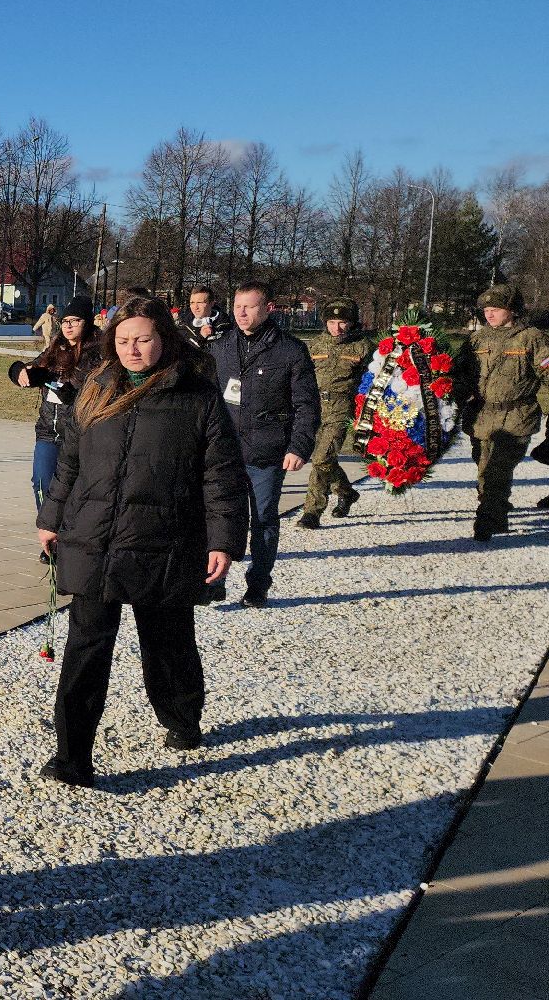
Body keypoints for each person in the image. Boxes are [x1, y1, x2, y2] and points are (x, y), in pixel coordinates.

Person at [36, 296, 249, 787]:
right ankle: (72, 757)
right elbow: (69, 463)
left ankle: (181, 718)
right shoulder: (95, 389)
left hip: (164, 540)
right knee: (86, 649)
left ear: (163, 339)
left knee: (168, 642)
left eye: (143, 339)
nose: (132, 349)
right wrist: (51, 518)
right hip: (94, 540)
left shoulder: (195, 395)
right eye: (124, 340)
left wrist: (222, 540)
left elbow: (221, 474)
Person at [209, 280, 317, 607]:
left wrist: (298, 447)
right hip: (224, 451)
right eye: (237, 306)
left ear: (268, 309)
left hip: (266, 452)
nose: (241, 313)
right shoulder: (220, 347)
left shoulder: (290, 351)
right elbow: (207, 398)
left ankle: (258, 583)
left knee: (263, 519)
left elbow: (307, 405)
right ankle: (215, 580)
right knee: (220, 515)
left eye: (249, 306)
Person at [460, 284, 549, 541]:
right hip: (481, 417)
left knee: (497, 470)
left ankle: (486, 520)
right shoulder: (477, 339)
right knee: (483, 468)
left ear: (512, 310)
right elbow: (461, 374)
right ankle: (496, 511)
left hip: (516, 417)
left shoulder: (532, 338)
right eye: (486, 310)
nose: (489, 314)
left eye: (496, 309)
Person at [10, 295, 101, 517]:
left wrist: (73, 395)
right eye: (65, 321)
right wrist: (19, 370)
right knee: (41, 482)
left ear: (87, 322)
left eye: (75, 321)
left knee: (74, 489)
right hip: (48, 431)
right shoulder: (55, 347)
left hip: (80, 433)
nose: (68, 326)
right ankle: (49, 529)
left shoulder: (99, 352)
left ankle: (68, 531)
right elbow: (33, 367)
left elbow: (101, 391)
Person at [297, 297, 370, 529]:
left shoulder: (363, 347)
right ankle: (346, 492)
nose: (336, 328)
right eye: (331, 322)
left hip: (341, 408)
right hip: (315, 407)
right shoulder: (315, 345)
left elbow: (373, 382)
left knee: (321, 459)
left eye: (342, 322)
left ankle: (312, 512)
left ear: (352, 322)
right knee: (325, 459)